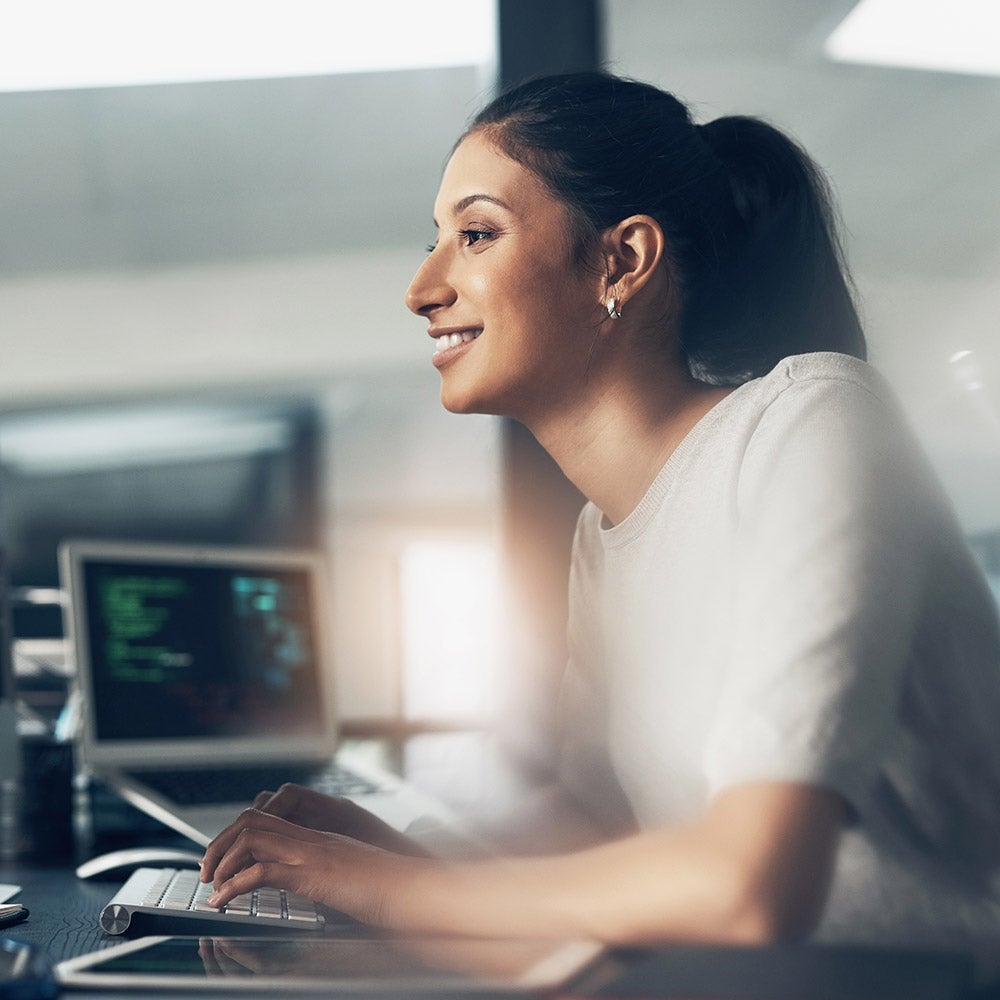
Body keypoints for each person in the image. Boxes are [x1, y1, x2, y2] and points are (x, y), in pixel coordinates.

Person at [199, 73, 1000, 974]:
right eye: (437, 242)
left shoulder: (813, 419)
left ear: (621, 262)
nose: (423, 288)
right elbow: (601, 842)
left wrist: (387, 889)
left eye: (475, 235)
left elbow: (754, 881)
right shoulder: (603, 534)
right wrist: (390, 853)